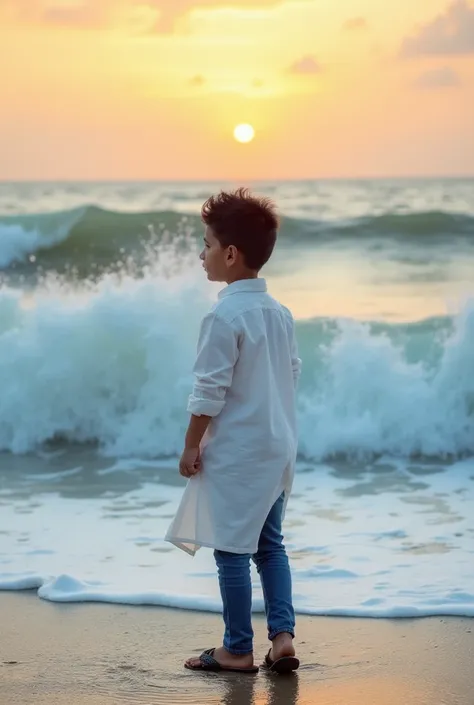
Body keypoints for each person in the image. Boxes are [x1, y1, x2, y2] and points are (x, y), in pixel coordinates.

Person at [165, 187, 301, 675]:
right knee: (270, 545)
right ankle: (282, 638)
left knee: (231, 549)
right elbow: (291, 374)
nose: (201, 255)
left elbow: (209, 390)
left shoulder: (224, 314)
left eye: (205, 244)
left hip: (241, 452)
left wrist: (190, 444)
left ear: (229, 253)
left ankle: (237, 649)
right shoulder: (279, 313)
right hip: (278, 446)